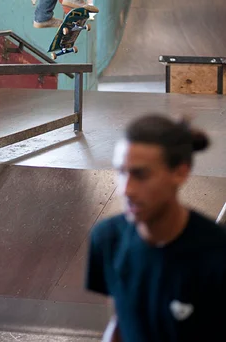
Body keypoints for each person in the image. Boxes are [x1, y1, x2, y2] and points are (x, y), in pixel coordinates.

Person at [86, 114, 226, 342]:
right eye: (121, 172)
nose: (126, 190)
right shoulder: (107, 239)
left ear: (180, 172)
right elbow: (121, 320)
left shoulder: (217, 254)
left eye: (140, 175)